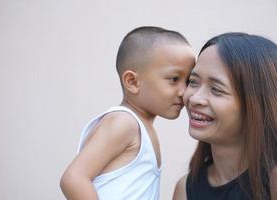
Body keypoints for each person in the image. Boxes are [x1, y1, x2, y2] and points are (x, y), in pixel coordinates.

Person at [60, 26, 196, 200]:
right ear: (132, 82)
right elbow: (73, 178)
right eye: (174, 80)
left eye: (188, 81)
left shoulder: (141, 127)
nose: (183, 91)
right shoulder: (124, 122)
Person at [172, 32, 277, 200]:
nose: (194, 98)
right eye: (193, 82)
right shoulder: (185, 189)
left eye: (216, 89)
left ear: (256, 104)